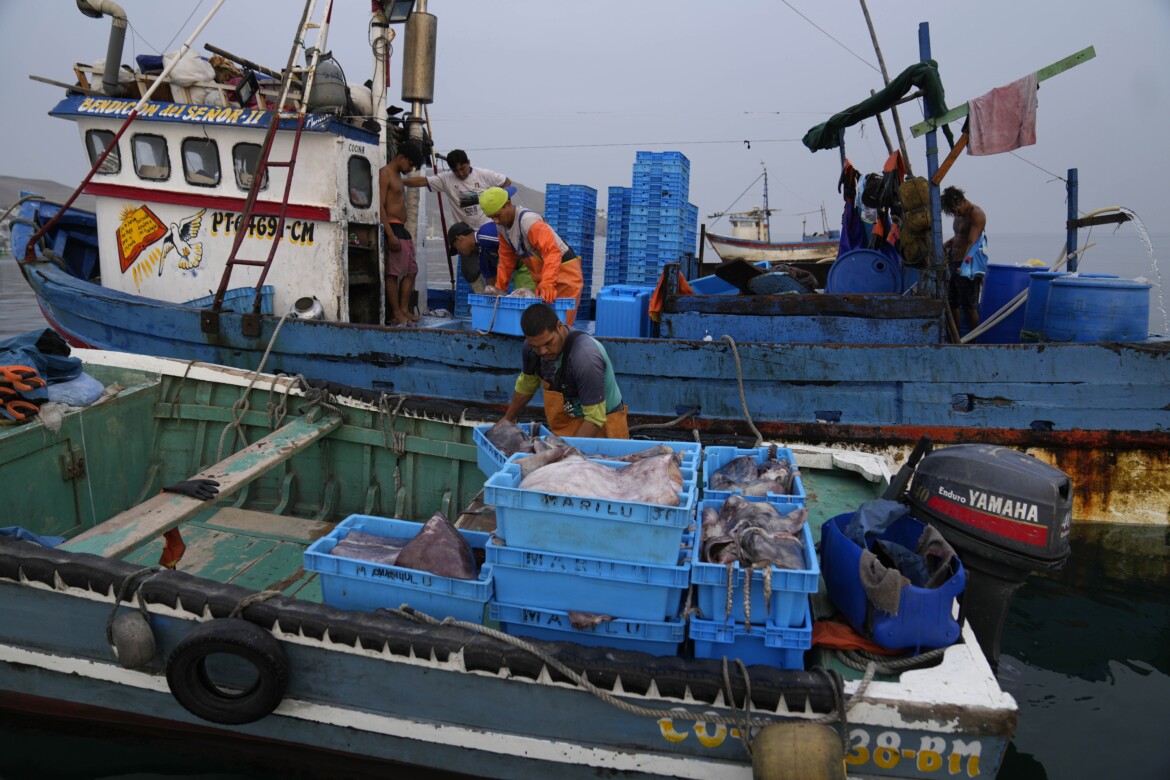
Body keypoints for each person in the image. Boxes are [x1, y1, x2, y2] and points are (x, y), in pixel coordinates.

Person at [405, 149, 533, 292]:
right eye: (455, 171)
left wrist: (500, 203)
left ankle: (502, 292)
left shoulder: (484, 175)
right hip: (468, 235)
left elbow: (506, 182)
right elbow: (423, 181)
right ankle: (484, 297)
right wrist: (400, 181)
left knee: (502, 262)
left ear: (469, 163)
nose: (460, 173)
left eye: (462, 168)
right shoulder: (446, 179)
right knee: (472, 270)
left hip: (489, 230)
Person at [502, 302, 628, 439]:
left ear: (559, 327)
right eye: (536, 346)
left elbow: (595, 418)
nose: (542, 351)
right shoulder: (531, 350)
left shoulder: (585, 358)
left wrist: (567, 456)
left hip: (602, 426)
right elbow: (527, 384)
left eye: (548, 343)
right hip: (569, 423)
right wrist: (508, 420)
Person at [479, 186, 584, 325]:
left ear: (508, 204)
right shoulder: (502, 228)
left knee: (560, 325)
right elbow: (506, 261)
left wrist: (548, 283)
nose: (496, 221)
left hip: (564, 272)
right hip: (544, 275)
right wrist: (499, 290)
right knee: (541, 324)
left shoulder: (529, 221)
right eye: (492, 217)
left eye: (497, 215)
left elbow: (552, 252)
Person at [379, 139, 426, 325]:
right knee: (393, 274)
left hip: (402, 229)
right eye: (411, 163)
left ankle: (404, 309)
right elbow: (380, 206)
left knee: (411, 270)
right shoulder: (386, 173)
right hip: (393, 228)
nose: (410, 168)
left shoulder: (398, 176)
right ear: (401, 157)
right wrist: (390, 234)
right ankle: (397, 314)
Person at [942, 185, 989, 334]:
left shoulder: (976, 214)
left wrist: (964, 265)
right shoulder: (958, 214)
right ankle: (956, 338)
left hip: (968, 266)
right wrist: (947, 244)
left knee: (969, 306)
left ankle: (973, 340)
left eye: (955, 209)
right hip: (954, 262)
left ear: (961, 201)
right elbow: (958, 237)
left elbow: (972, 242)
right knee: (952, 303)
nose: (955, 213)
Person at [446, 220, 500, 294]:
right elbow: (490, 280)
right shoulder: (483, 258)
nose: (459, 252)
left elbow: (513, 243)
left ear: (459, 239)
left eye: (456, 247)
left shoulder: (485, 234)